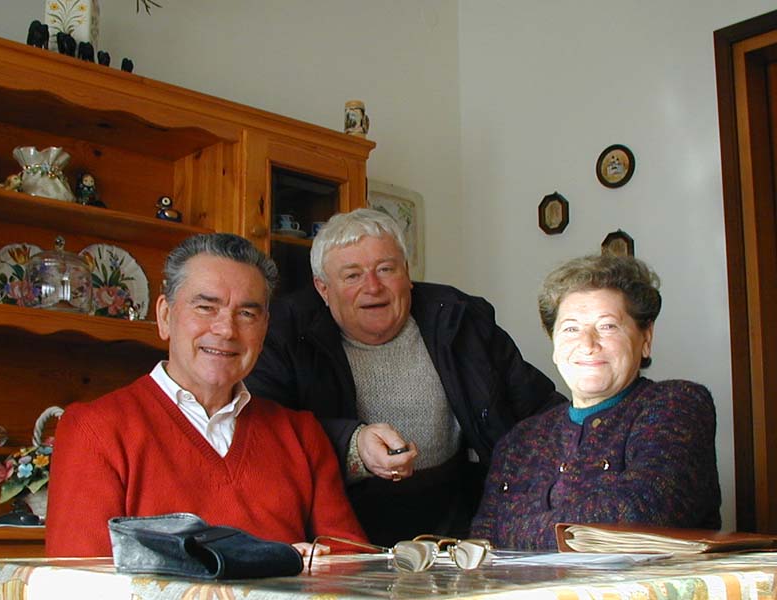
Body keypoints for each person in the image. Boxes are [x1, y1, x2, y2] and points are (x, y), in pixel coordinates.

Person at [246, 208, 564, 546]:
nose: (373, 287)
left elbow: (538, 408)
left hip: (459, 520)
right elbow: (264, 430)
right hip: (343, 524)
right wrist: (352, 444)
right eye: (352, 275)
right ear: (323, 288)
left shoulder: (459, 319)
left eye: (386, 269)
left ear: (407, 274)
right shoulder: (283, 331)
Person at [46, 233, 366, 557]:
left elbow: (352, 565)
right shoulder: (95, 429)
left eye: (247, 314)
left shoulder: (302, 435)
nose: (226, 329)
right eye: (205, 307)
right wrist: (270, 566)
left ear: (264, 329)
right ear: (165, 316)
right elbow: (78, 578)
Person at [470, 254, 721, 550]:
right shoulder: (520, 441)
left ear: (645, 339)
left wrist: (512, 530)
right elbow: (480, 542)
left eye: (607, 326)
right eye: (571, 328)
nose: (587, 344)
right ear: (554, 344)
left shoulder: (676, 405)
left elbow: (639, 516)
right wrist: (568, 530)